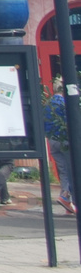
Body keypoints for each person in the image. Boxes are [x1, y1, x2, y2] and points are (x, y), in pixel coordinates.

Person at [44, 80, 75, 215]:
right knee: (74, 171)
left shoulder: (48, 104)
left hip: (52, 141)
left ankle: (67, 204)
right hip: (65, 141)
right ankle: (65, 196)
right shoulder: (64, 104)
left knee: (63, 172)